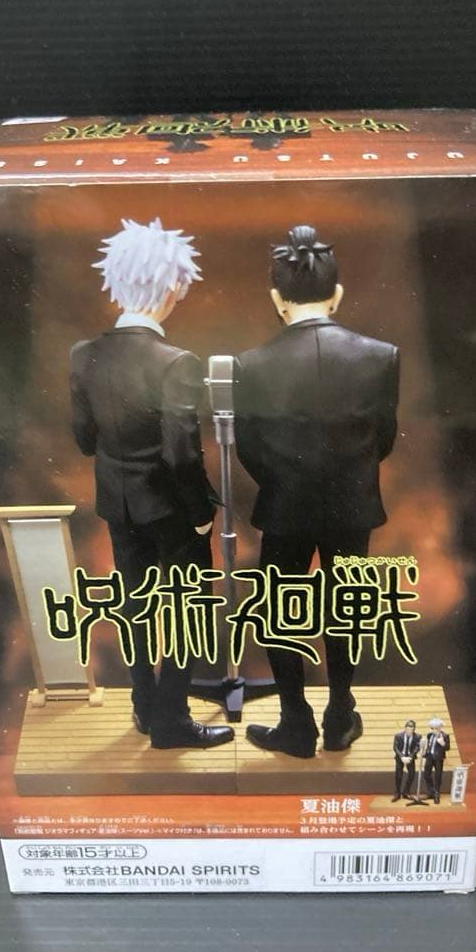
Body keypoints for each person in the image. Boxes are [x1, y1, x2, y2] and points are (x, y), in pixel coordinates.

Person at [234, 224, 400, 758]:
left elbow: (248, 449)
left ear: (277, 299)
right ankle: (340, 716)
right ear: (337, 294)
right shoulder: (381, 355)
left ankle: (296, 724)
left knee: (280, 613)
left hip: (284, 506)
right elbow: (383, 440)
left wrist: (286, 481)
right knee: (346, 611)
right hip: (353, 506)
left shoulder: (251, 364)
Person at [70, 217, 233, 750]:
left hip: (117, 505)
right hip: (172, 510)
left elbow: (84, 440)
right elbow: (181, 453)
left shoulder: (82, 355)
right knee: (186, 611)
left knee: (135, 608)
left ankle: (144, 707)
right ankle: (171, 720)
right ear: (170, 286)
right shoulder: (176, 362)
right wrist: (202, 513)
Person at [422, 718, 450, 803]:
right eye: (433, 728)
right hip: (429, 757)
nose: (435, 730)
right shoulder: (429, 735)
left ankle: (437, 794)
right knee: (426, 774)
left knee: (438, 776)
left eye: (437, 728)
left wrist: (442, 743)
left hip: (438, 759)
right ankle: (431, 792)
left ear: (440, 727)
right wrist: (425, 752)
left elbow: (447, 748)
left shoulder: (445, 736)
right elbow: (429, 745)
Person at [392, 720, 421, 801]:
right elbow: (395, 747)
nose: (409, 731)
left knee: (411, 774)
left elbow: (417, 748)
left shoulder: (417, 737)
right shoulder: (398, 736)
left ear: (414, 729)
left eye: (411, 729)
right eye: (408, 729)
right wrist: (402, 757)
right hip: (400, 757)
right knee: (398, 775)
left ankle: (406, 792)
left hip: (410, 757)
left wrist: (410, 757)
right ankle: (397, 793)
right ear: (405, 728)